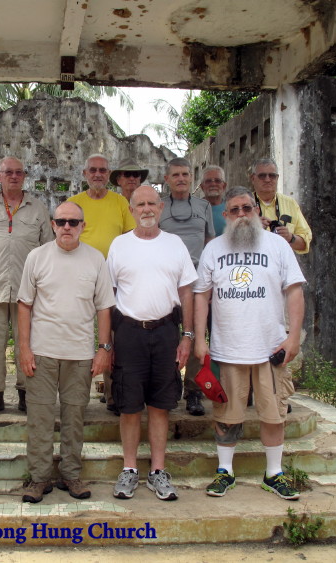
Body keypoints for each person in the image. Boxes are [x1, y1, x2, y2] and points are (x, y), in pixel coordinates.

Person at [193, 186, 306, 501]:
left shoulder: (278, 246)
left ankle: (274, 474)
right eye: (234, 210)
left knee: (273, 413)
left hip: (270, 348)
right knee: (227, 414)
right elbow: (201, 295)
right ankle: (225, 472)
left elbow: (295, 291)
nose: (241, 215)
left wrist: (293, 336)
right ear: (226, 216)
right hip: (228, 348)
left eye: (247, 208)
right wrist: (200, 338)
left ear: (257, 211)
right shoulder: (214, 248)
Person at [17, 202, 116, 503]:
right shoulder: (37, 257)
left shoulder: (96, 260)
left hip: (80, 354)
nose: (67, 227)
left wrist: (103, 349)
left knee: (74, 416)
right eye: (62, 222)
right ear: (52, 225)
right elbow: (24, 304)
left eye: (74, 222)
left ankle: (71, 475)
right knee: (41, 417)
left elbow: (104, 308)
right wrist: (24, 347)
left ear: (83, 226)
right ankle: (38, 478)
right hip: (43, 352)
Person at [106, 185, 198, 502]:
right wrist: (108, 343)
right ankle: (130, 469)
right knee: (129, 406)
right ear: (131, 209)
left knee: (160, 405)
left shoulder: (175, 245)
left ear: (161, 208)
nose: (146, 209)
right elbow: (109, 297)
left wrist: (188, 335)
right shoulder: (119, 246)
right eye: (139, 204)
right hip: (129, 332)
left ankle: (158, 472)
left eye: (151, 204)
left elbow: (187, 292)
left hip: (166, 332)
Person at [0, 156, 53, 416]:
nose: (14, 176)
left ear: (24, 176)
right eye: (8, 173)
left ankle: (27, 392)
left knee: (26, 343)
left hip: (28, 292)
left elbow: (48, 249)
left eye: (18, 172)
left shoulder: (38, 208)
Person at [68, 154, 136, 414]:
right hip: (79, 279)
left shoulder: (120, 202)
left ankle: (112, 394)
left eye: (103, 170)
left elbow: (130, 239)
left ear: (109, 175)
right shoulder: (74, 203)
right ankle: (76, 396)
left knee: (114, 340)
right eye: (93, 170)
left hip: (115, 281)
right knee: (80, 337)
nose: (97, 174)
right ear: (85, 173)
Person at [159, 157, 215, 417]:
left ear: (191, 177)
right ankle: (170, 387)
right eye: (176, 175)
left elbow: (210, 242)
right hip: (166, 280)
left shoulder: (203, 206)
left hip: (197, 280)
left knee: (194, 334)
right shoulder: (158, 207)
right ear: (167, 179)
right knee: (169, 335)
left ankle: (194, 391)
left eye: (185, 174)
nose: (181, 179)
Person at [249, 158, 312, 254]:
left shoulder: (290, 204)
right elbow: (230, 240)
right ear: (253, 179)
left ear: (277, 178)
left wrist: (290, 237)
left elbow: (304, 243)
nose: (267, 179)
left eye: (272, 175)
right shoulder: (243, 205)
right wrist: (252, 229)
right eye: (262, 176)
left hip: (282, 265)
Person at [199, 165, 228, 236]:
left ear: (224, 186)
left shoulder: (232, 209)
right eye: (208, 181)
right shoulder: (194, 208)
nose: (213, 184)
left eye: (217, 181)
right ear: (202, 187)